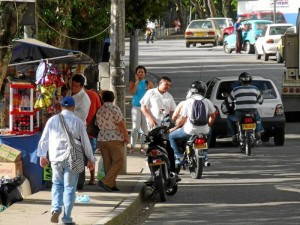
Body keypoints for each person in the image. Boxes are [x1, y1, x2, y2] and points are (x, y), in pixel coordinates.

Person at [37, 96, 96, 225]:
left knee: (57, 184)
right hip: (72, 158)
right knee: (69, 188)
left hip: (56, 157)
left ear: (61, 107)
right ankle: (66, 218)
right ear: (73, 108)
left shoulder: (52, 120)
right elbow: (86, 142)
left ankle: (55, 208)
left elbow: (44, 138)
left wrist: (42, 155)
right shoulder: (78, 121)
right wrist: (91, 159)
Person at [169, 81, 216, 165]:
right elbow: (213, 116)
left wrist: (175, 128)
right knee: (209, 132)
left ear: (191, 91)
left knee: (171, 136)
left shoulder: (188, 102)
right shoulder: (207, 101)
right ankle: (205, 154)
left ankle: (179, 156)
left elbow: (181, 120)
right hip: (204, 130)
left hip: (189, 131)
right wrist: (207, 125)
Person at [140, 76, 177, 173]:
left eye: (169, 85)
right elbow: (143, 107)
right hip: (153, 126)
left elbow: (173, 110)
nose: (168, 87)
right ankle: (154, 170)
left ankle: (172, 172)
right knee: (153, 147)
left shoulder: (169, 96)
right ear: (160, 83)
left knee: (168, 148)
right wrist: (150, 119)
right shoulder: (151, 93)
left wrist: (172, 121)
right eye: (166, 84)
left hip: (164, 127)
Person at [95, 90, 129, 192]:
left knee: (107, 162)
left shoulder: (99, 110)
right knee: (119, 161)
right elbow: (120, 123)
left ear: (103, 99)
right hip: (114, 137)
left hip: (102, 138)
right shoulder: (115, 108)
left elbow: (97, 124)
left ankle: (111, 184)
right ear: (113, 98)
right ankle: (106, 181)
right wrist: (126, 135)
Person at [67, 73, 91, 190]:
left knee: (79, 157)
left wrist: (69, 112)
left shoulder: (84, 98)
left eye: (77, 86)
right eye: (73, 86)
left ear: (82, 86)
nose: (74, 88)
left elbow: (82, 115)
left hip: (78, 131)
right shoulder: (69, 93)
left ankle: (79, 183)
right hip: (67, 130)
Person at [227, 72, 264, 142]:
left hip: (240, 112)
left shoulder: (236, 90)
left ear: (240, 80)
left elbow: (229, 101)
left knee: (230, 118)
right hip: (253, 111)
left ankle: (234, 135)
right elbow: (261, 101)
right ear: (250, 80)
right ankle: (257, 132)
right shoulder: (255, 89)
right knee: (258, 119)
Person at [128, 65, 154, 154]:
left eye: (142, 72)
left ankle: (143, 146)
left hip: (145, 107)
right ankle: (132, 146)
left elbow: (152, 94)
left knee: (145, 128)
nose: (140, 73)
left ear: (145, 73)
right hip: (136, 107)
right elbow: (132, 92)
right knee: (135, 127)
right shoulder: (133, 82)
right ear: (136, 73)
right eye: (138, 72)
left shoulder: (148, 83)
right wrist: (136, 82)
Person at [85, 85, 101, 185]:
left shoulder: (75, 95)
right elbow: (99, 109)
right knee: (91, 155)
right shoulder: (94, 94)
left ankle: (90, 178)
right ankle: (92, 178)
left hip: (87, 130)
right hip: (91, 130)